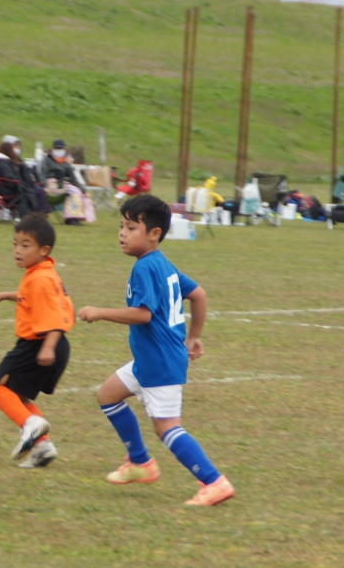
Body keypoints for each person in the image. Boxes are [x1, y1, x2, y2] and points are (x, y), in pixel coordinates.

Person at [77, 195, 235, 506]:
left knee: (167, 428)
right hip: (149, 359)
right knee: (107, 395)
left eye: (131, 228)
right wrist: (194, 337)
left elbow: (143, 315)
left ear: (154, 234)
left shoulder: (146, 267)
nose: (122, 233)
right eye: (121, 226)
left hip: (160, 362)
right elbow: (199, 294)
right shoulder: (161, 263)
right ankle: (140, 462)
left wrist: (100, 312)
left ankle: (214, 481)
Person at [0, 215, 73, 469]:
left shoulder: (39, 279)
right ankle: (42, 447)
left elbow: (55, 317)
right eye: (15, 244)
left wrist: (47, 346)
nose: (17, 250)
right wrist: (5, 295)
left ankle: (31, 425)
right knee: (18, 397)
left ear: (44, 250)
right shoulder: (43, 273)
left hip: (39, 344)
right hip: (52, 344)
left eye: (25, 245)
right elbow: (30, 297)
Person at [39, 139, 87, 226]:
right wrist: (44, 186)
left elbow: (74, 179)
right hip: (49, 186)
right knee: (72, 190)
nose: (59, 151)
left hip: (61, 185)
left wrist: (84, 190)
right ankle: (71, 218)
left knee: (76, 191)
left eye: (61, 149)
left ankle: (72, 217)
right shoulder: (47, 160)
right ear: (52, 150)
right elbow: (42, 175)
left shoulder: (66, 164)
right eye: (57, 149)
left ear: (65, 150)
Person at [0, 142, 31, 219]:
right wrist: (18, 182)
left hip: (5, 188)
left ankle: (31, 215)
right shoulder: (3, 163)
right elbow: (9, 177)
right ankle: (28, 216)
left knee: (31, 190)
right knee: (30, 192)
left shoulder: (1, 161)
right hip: (8, 190)